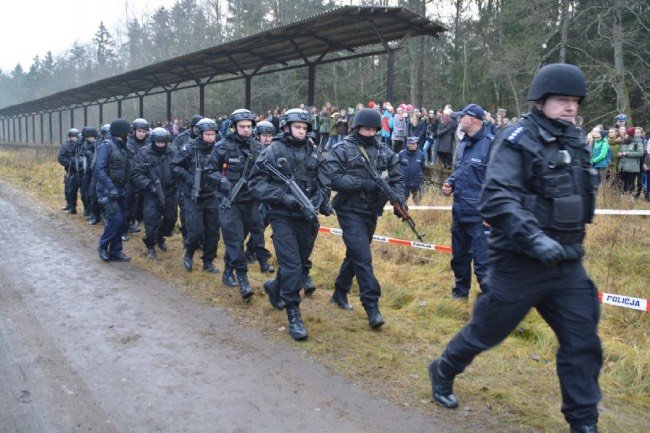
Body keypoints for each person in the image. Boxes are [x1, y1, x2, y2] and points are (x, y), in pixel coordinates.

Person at [428, 64, 602, 433]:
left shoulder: (574, 140)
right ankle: (444, 368)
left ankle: (583, 421)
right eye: (561, 100)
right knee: (486, 332)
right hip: (521, 262)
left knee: (582, 341)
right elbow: (496, 197)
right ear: (540, 101)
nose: (570, 108)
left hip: (567, 262)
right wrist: (533, 237)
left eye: (574, 101)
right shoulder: (517, 138)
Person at [248, 108, 330, 340]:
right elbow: (255, 183)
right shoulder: (273, 150)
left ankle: (275, 287)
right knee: (292, 266)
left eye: (304, 128)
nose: (301, 131)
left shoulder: (314, 151)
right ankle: (293, 312)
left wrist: (319, 200)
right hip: (282, 215)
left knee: (299, 262)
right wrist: (283, 197)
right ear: (286, 127)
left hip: (307, 216)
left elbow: (324, 180)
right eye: (297, 127)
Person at [325, 108, 405, 329]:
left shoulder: (385, 152)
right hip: (349, 210)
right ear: (356, 128)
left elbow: (398, 177)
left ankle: (339, 293)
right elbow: (332, 177)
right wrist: (362, 184)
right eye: (366, 129)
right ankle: (371, 305)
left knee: (355, 253)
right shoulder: (342, 149)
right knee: (363, 256)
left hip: (371, 211)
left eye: (373, 129)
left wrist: (399, 199)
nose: (369, 133)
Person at [208, 109, 264, 299]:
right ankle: (243, 279)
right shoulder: (222, 147)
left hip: (252, 202)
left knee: (244, 239)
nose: (246, 130)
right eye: (242, 126)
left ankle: (227, 271)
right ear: (234, 127)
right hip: (229, 202)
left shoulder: (258, 148)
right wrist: (222, 181)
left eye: (249, 126)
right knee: (234, 240)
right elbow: (210, 170)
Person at [441, 104, 494, 299]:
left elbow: (499, 182)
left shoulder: (491, 145)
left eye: (461, 116)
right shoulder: (463, 143)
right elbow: (460, 172)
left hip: (481, 216)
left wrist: (492, 211)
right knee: (460, 258)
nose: (458, 120)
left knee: (483, 264)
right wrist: (450, 183)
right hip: (460, 212)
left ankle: (495, 306)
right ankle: (460, 295)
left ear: (471, 119)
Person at [171, 118, 221, 274]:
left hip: (212, 195)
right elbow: (174, 166)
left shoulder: (219, 149)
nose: (211, 138)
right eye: (208, 134)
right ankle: (189, 254)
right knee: (195, 231)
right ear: (200, 134)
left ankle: (208, 261)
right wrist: (189, 178)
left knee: (213, 232)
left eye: (213, 134)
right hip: (193, 196)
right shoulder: (189, 148)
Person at [131, 127, 178, 259]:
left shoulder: (173, 152)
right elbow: (136, 173)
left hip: (169, 191)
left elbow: (179, 168)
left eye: (164, 142)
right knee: (151, 220)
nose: (161, 145)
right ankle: (150, 244)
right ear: (153, 141)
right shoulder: (143, 153)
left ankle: (160, 236)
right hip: (151, 193)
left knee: (171, 219)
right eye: (158, 142)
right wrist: (148, 185)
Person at [95, 119, 134, 262]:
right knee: (115, 220)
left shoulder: (124, 147)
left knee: (123, 221)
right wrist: (110, 188)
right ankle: (103, 247)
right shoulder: (106, 146)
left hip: (122, 189)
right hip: (108, 190)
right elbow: (99, 170)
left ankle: (116, 252)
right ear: (122, 132)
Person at [245, 120, 276, 272]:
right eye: (264, 135)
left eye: (270, 136)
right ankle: (255, 255)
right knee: (257, 225)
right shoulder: (252, 149)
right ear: (258, 136)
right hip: (254, 194)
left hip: (271, 193)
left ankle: (250, 251)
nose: (267, 139)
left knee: (263, 224)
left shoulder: (276, 150)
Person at [124, 118, 151, 238]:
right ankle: (125, 228)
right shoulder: (127, 143)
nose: (141, 134)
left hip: (146, 178)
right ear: (134, 131)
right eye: (139, 131)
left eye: (144, 131)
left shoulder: (150, 143)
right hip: (131, 179)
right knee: (128, 204)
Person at [58, 128, 82, 214]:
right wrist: (71, 163)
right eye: (73, 136)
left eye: (76, 136)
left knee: (83, 193)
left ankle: (86, 210)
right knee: (69, 190)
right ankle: (71, 206)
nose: (74, 138)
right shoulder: (66, 146)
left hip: (81, 172)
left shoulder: (82, 145)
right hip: (71, 171)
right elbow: (61, 158)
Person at [398, 136, 426, 205]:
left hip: (416, 182)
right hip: (405, 182)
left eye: (416, 143)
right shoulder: (401, 154)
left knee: (417, 201)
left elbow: (423, 167)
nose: (415, 145)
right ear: (408, 144)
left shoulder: (421, 154)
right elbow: (397, 167)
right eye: (413, 144)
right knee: (402, 202)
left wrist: (419, 176)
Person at [80, 127, 99, 220]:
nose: (89, 139)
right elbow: (80, 157)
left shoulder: (98, 145)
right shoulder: (85, 145)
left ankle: (93, 213)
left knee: (92, 194)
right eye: (88, 137)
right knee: (84, 193)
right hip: (86, 172)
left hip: (94, 173)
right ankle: (87, 210)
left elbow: (97, 159)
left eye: (91, 137)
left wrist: (89, 154)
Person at [618, 127, 645, 193]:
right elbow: (621, 152)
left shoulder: (638, 143)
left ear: (630, 135)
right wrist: (619, 154)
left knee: (630, 185)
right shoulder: (624, 143)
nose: (625, 135)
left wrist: (626, 153)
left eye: (626, 134)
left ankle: (629, 199)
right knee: (622, 185)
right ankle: (622, 200)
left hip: (632, 168)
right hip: (623, 167)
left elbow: (640, 153)